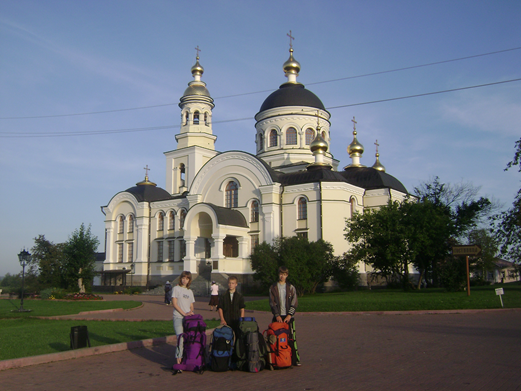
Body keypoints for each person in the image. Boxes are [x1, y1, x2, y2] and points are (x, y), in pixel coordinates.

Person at [269, 266, 301, 366]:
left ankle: (294, 359)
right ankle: (276, 359)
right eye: (281, 274)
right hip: (278, 317)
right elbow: (272, 302)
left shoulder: (291, 287)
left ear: (287, 275)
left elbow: (294, 302)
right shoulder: (273, 287)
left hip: (288, 317)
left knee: (291, 337)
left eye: (284, 274)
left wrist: (289, 315)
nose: (282, 276)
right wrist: (277, 315)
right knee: (277, 338)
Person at [172, 271, 195, 365]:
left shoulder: (190, 291)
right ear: (181, 278)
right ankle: (178, 361)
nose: (185, 280)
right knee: (180, 338)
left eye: (187, 278)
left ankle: (186, 359)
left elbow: (191, 305)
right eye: (183, 278)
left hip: (188, 319)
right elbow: (174, 304)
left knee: (188, 339)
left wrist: (190, 312)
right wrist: (183, 313)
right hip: (178, 317)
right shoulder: (176, 289)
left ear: (189, 280)